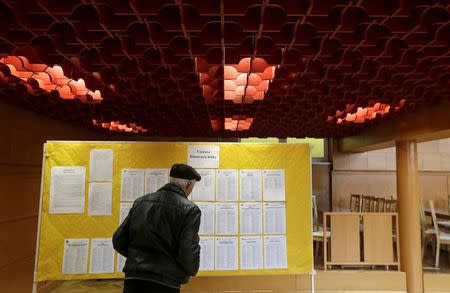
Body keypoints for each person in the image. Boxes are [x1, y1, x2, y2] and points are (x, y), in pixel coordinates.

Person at [113, 163, 202, 293]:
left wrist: (137, 259)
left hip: (134, 279)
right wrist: (191, 270)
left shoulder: (140, 202)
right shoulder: (189, 210)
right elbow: (187, 250)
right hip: (166, 282)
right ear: (189, 184)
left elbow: (118, 239)